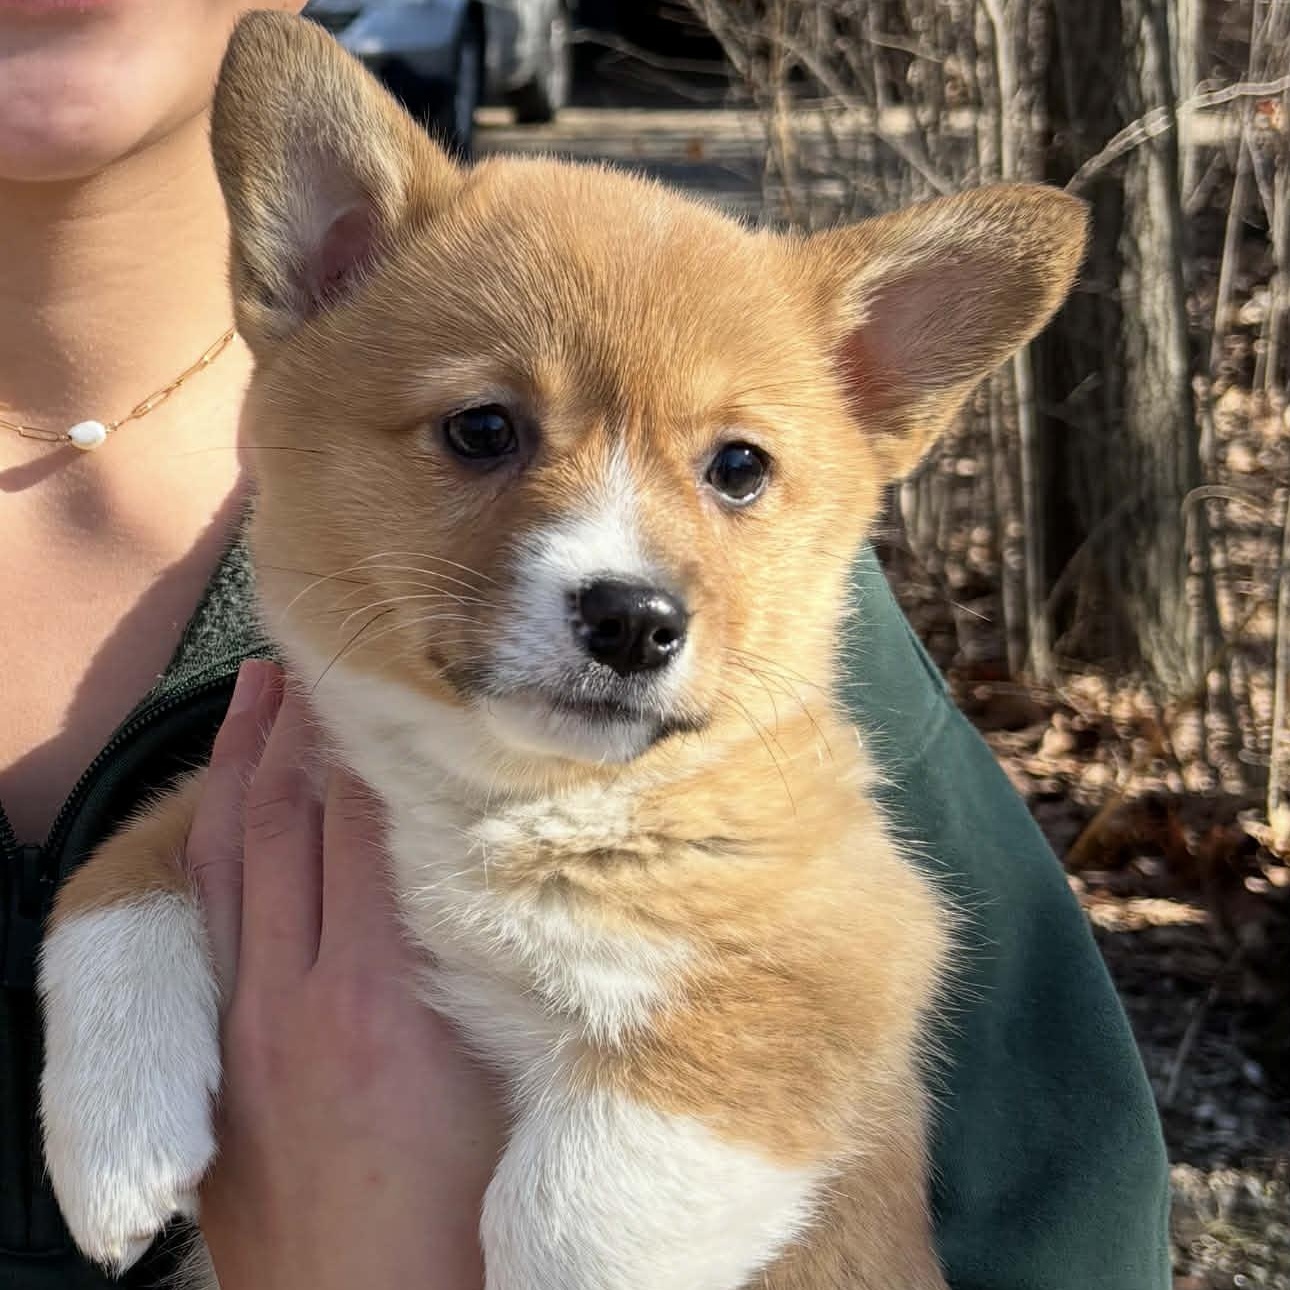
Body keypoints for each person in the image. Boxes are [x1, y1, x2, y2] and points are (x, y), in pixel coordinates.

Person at [0, 2, 1172, 1288]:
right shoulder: (329, 694)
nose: (630, 581)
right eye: (487, 434)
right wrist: (123, 931)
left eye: (734, 469)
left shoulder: (773, 779)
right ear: (320, 265)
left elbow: (848, 997)